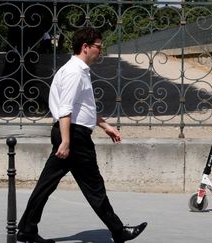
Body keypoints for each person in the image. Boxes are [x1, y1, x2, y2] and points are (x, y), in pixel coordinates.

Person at [17, 27, 147, 243]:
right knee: (94, 186)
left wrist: (105, 125)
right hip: (74, 137)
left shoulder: (77, 70)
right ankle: (118, 231)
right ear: (85, 47)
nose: (100, 51)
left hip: (72, 134)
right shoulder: (74, 73)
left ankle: (27, 229)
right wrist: (67, 141)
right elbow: (65, 109)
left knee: (47, 183)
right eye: (98, 47)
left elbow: (82, 108)